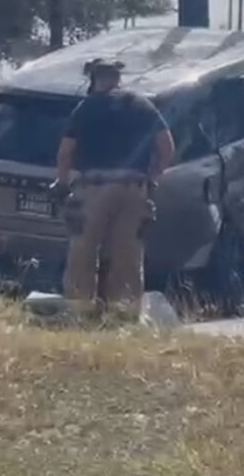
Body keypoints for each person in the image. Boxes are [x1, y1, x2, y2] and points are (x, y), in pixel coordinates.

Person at [53, 58, 175, 318]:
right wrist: (153, 177)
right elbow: (167, 147)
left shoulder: (86, 108)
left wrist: (63, 183)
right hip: (134, 189)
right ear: (118, 78)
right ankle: (125, 314)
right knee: (128, 256)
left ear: (94, 79)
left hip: (93, 189)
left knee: (83, 252)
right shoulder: (142, 106)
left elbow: (65, 153)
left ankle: (80, 312)